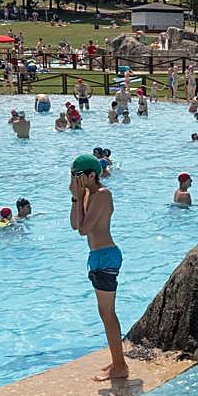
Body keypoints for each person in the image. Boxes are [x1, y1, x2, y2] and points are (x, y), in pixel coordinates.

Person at [69, 154, 129, 382]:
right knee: (105, 313)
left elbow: (84, 229)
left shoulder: (103, 195)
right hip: (97, 256)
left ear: (92, 175)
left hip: (106, 256)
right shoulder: (87, 195)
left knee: (108, 313)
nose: (75, 179)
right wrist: (76, 199)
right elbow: (75, 225)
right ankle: (117, 361)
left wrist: (79, 197)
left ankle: (120, 366)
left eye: (78, 175)